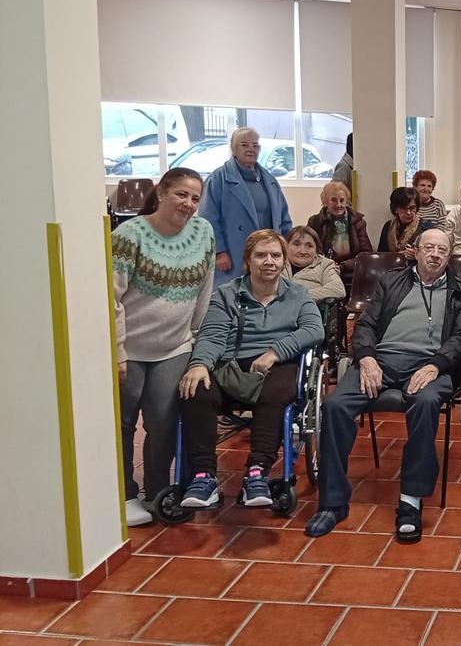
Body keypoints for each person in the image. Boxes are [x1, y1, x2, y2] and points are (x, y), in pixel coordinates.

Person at [304, 229, 461, 540]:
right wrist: (367, 357)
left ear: (449, 256)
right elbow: (366, 324)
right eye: (429, 248)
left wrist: (436, 365)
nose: (436, 254)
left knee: (425, 403)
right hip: (380, 360)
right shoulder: (391, 280)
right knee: (335, 405)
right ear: (417, 251)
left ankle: (410, 502)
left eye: (442, 249)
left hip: (430, 365)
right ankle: (332, 502)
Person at [178, 230, 323, 509]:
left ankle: (257, 472)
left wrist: (276, 352)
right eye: (260, 255)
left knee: (280, 391)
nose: (268, 261)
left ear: (283, 262)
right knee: (195, 388)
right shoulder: (227, 294)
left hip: (277, 364)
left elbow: (314, 329)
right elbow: (212, 335)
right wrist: (199, 365)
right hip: (231, 362)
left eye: (275, 255)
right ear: (248, 260)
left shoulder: (297, 295)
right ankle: (203, 476)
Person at [112, 167, 215, 525]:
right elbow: (112, 298)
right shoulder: (129, 235)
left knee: (163, 423)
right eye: (181, 194)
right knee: (123, 424)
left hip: (174, 347)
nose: (188, 204)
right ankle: (123, 494)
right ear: (161, 193)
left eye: (195, 198)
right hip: (130, 349)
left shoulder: (203, 232)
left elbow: (205, 288)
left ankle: (157, 491)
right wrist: (118, 351)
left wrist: (197, 336)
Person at [199, 127, 293, 286]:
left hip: (267, 255)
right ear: (234, 149)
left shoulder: (270, 180)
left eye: (255, 145)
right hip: (233, 255)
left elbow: (284, 219)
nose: (251, 149)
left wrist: (286, 249)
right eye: (244, 145)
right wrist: (219, 252)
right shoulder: (218, 179)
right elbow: (208, 219)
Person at [306, 181, 372, 290]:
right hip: (323, 269)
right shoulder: (315, 221)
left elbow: (366, 254)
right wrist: (327, 265)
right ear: (325, 202)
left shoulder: (358, 222)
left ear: (347, 202)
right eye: (333, 200)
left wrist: (343, 266)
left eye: (342, 200)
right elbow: (310, 249)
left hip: (352, 270)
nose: (338, 205)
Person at [282, 226, 346, 303]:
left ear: (316, 250)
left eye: (309, 246)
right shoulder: (277, 263)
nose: (302, 251)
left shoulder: (325, 265)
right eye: (296, 244)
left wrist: (300, 297)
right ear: (286, 246)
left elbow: (338, 289)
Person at [378, 187, 421, 264]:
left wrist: (416, 255)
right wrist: (398, 255)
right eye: (404, 208)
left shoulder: (425, 228)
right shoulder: (388, 226)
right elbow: (381, 254)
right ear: (395, 209)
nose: (408, 212)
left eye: (412, 208)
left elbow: (429, 256)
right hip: (390, 267)